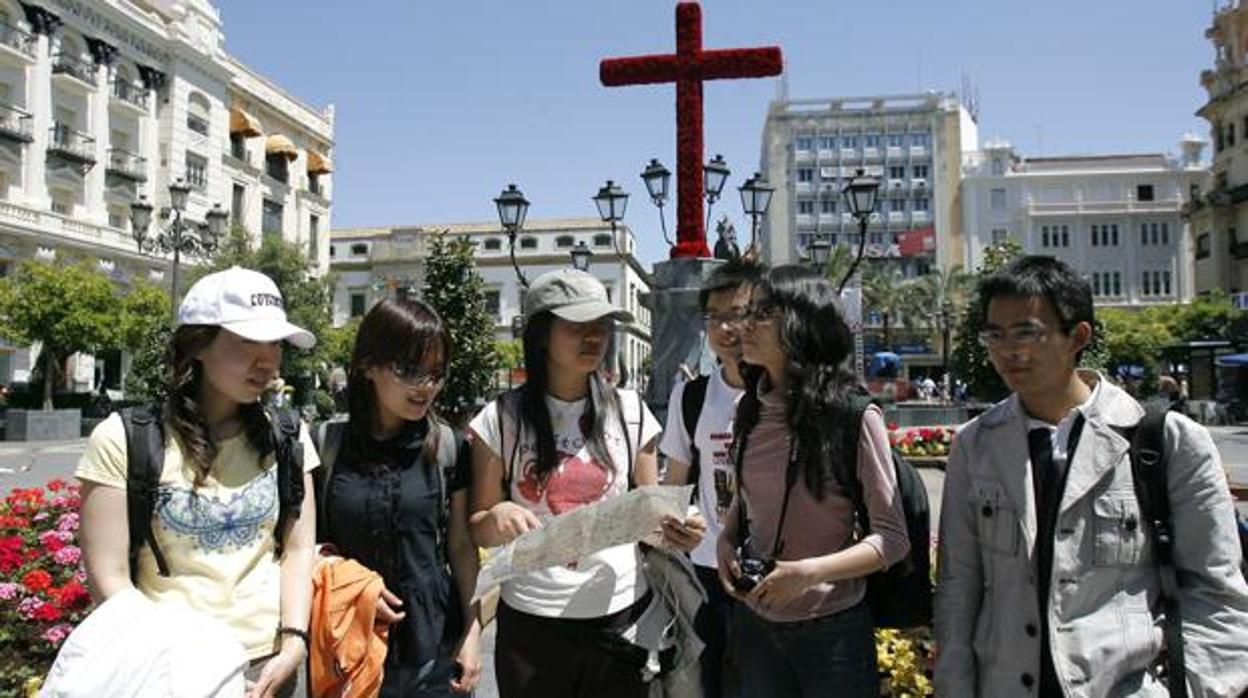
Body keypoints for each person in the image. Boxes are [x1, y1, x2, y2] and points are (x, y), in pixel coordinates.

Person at [935, 256, 1248, 697]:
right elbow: (958, 590)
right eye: (995, 335)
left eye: (1027, 332)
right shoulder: (975, 445)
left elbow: (1216, 590)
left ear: (1077, 337)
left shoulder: (1165, 441)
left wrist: (1197, 689)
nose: (1008, 350)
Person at [76, 266, 320, 698]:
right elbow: (107, 575)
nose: (267, 360)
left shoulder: (288, 435)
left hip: (268, 666)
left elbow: (298, 548)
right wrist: (175, 663)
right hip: (168, 671)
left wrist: (294, 641)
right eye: (248, 341)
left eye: (276, 343)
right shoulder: (124, 437)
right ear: (199, 345)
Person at [466, 269, 706, 698]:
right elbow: (478, 524)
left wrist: (678, 528)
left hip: (621, 621)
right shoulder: (499, 418)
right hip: (531, 624)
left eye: (602, 326)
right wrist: (498, 514)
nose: (595, 337)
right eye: (578, 326)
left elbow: (648, 519)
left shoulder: (632, 413)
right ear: (542, 334)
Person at [715, 265, 910, 698]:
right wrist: (727, 541)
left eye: (763, 312)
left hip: (833, 631)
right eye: (747, 311)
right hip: (758, 623)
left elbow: (893, 539)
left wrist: (809, 573)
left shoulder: (852, 417)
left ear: (802, 323)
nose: (743, 325)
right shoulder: (749, 408)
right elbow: (748, 504)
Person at [317, 297, 482, 696]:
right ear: (368, 366)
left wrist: (473, 633)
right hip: (347, 650)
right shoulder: (325, 445)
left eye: (436, 373)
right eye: (409, 370)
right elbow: (305, 548)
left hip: (433, 649)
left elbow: (461, 547)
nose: (426, 385)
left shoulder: (449, 446)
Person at [659, 257, 762, 698]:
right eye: (715, 318)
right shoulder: (693, 395)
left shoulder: (786, 393)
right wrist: (684, 519)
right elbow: (675, 484)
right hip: (706, 572)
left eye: (737, 314)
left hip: (777, 570)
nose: (725, 328)